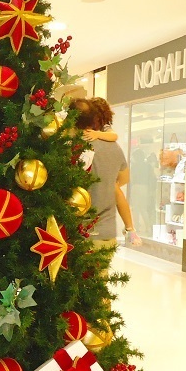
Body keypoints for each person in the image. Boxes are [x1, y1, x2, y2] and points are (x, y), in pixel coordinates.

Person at [71, 99, 141, 255]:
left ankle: (130, 228)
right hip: (106, 234)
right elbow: (125, 179)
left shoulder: (68, 147)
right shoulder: (113, 147)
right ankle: (130, 228)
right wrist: (108, 184)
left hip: (75, 234)